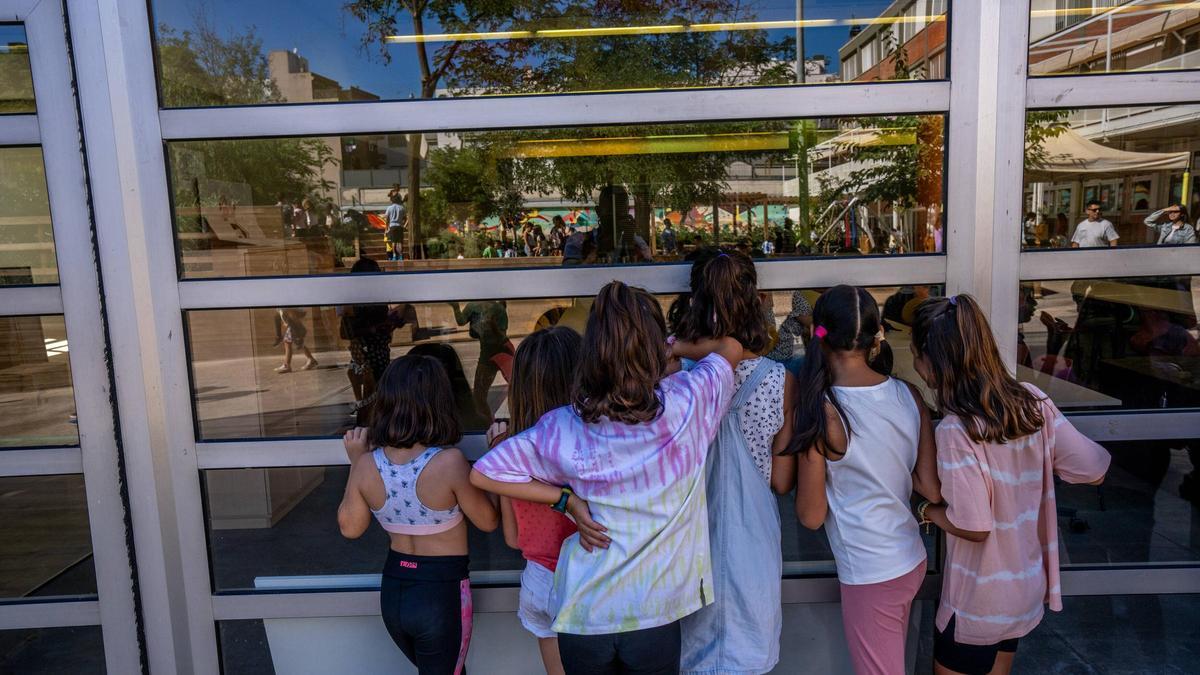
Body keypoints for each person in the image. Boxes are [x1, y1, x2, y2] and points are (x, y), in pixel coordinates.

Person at [470, 281, 744, 675]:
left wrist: (566, 500)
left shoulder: (564, 425)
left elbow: (485, 472)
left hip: (583, 614)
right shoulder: (689, 401)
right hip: (653, 614)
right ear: (653, 345)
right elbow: (730, 347)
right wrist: (674, 348)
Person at [908, 295, 1110, 675]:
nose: (916, 366)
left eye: (917, 355)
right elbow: (1093, 469)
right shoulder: (1032, 402)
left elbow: (973, 525)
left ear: (934, 362)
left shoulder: (956, 429)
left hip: (977, 602)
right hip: (1023, 588)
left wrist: (925, 510)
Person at [786, 285, 941, 675]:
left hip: (871, 570)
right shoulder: (909, 395)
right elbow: (930, 486)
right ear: (877, 336)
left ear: (819, 335)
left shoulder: (824, 410)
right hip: (909, 557)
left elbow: (810, 515)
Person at [673, 251, 796, 675]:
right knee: (747, 649)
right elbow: (781, 481)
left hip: (685, 539)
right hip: (753, 539)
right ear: (756, 301)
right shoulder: (779, 381)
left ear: (693, 300)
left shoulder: (676, 372)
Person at [337, 355, 499, 674]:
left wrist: (356, 463)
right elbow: (488, 521)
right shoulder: (449, 463)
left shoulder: (368, 464)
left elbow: (350, 528)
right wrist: (495, 455)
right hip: (440, 595)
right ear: (440, 403)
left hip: (395, 591)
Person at [487, 326, 582, 675]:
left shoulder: (509, 451)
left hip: (540, 581)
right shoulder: (593, 445)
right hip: (590, 577)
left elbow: (513, 538)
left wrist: (496, 451)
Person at [449, 300, 512, 420]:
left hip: (502, 354)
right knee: (479, 396)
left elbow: (502, 337)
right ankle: (489, 424)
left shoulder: (499, 309)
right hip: (488, 355)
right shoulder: (472, 306)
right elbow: (461, 321)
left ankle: (491, 424)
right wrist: (455, 307)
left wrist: (492, 326)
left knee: (516, 390)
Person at [765, 290, 813, 375]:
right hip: (765, 359)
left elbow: (812, 324)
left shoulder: (789, 292)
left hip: (789, 357)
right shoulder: (751, 294)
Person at [273, 308, 318, 373]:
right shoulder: (281, 309)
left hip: (294, 326)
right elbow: (279, 315)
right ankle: (311, 359)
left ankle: (287, 365)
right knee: (290, 342)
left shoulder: (286, 307)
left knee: (290, 342)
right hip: (293, 325)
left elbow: (292, 316)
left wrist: (298, 332)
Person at [386, 193, 406, 261]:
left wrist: (387, 227)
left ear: (392, 200)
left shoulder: (389, 208)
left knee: (393, 242)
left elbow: (387, 219)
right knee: (400, 242)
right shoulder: (401, 208)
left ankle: (394, 256)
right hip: (399, 226)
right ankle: (400, 256)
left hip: (392, 226)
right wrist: (403, 224)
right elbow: (405, 218)